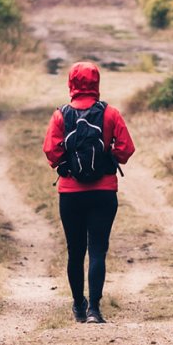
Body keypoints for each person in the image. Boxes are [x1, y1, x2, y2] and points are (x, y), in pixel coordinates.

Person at [43, 61, 135, 324]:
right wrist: (109, 158)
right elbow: (126, 149)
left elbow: (50, 150)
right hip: (103, 192)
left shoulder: (60, 115)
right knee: (97, 251)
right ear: (97, 82)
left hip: (70, 193)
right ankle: (95, 309)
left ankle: (78, 307)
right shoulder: (110, 113)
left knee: (75, 251)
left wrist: (65, 165)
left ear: (71, 83)